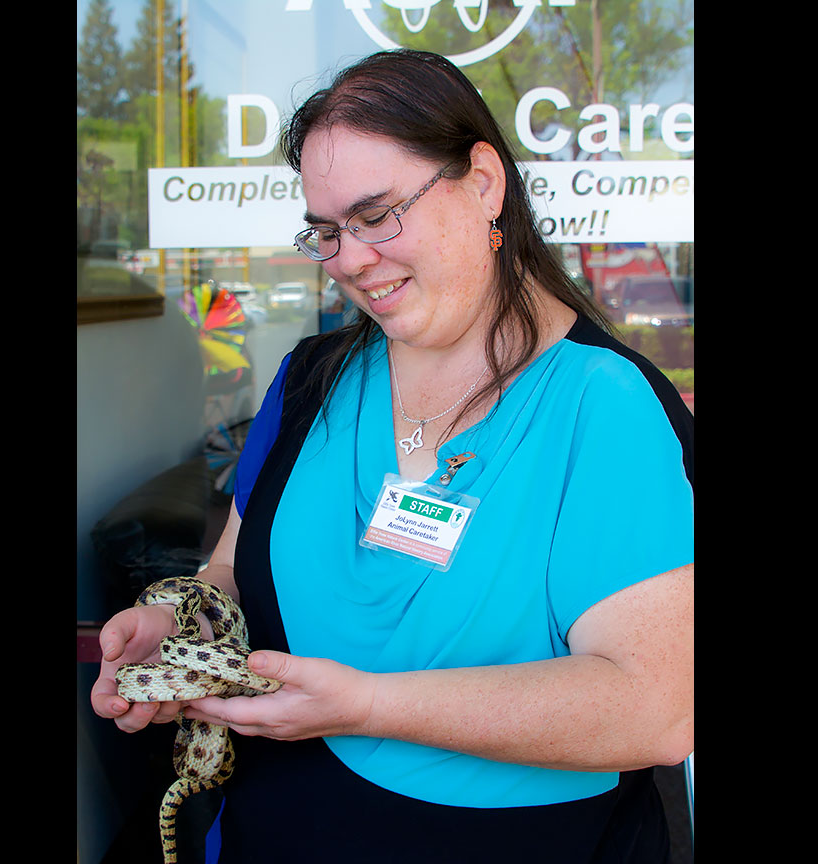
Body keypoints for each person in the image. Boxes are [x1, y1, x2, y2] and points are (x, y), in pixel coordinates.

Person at [92, 49, 694, 862]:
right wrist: (178, 622)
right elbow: (229, 572)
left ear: (483, 182)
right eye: (328, 230)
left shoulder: (606, 405)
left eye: (378, 215)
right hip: (269, 828)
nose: (349, 259)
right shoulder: (313, 377)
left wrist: (367, 706)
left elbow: (654, 708)